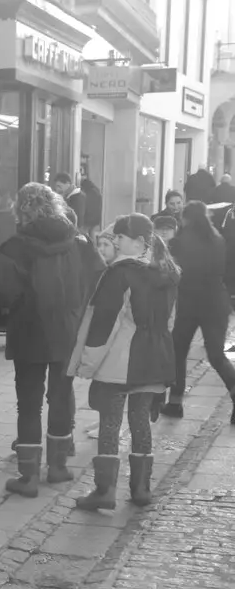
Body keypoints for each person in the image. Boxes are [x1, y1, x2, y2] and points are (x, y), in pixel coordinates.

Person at [0, 183, 104, 497]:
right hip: (67, 331)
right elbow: (99, 278)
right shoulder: (79, 244)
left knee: (28, 404)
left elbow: (3, 295)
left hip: (29, 332)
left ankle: (28, 477)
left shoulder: (14, 247)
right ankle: (57, 467)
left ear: (21, 211)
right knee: (60, 397)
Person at [71, 215, 180, 509]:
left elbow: (105, 323)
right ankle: (141, 489)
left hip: (121, 360)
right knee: (141, 420)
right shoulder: (168, 272)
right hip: (156, 357)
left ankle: (104, 491)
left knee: (110, 422)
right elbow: (170, 321)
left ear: (139, 242)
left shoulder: (120, 273)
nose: (115, 241)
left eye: (120, 236)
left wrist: (87, 364)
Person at [162, 201, 235, 424]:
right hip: (216, 301)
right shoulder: (217, 239)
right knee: (216, 354)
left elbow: (170, 271)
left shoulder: (179, 242)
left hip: (190, 302)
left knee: (178, 350)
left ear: (185, 219)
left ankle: (175, 402)